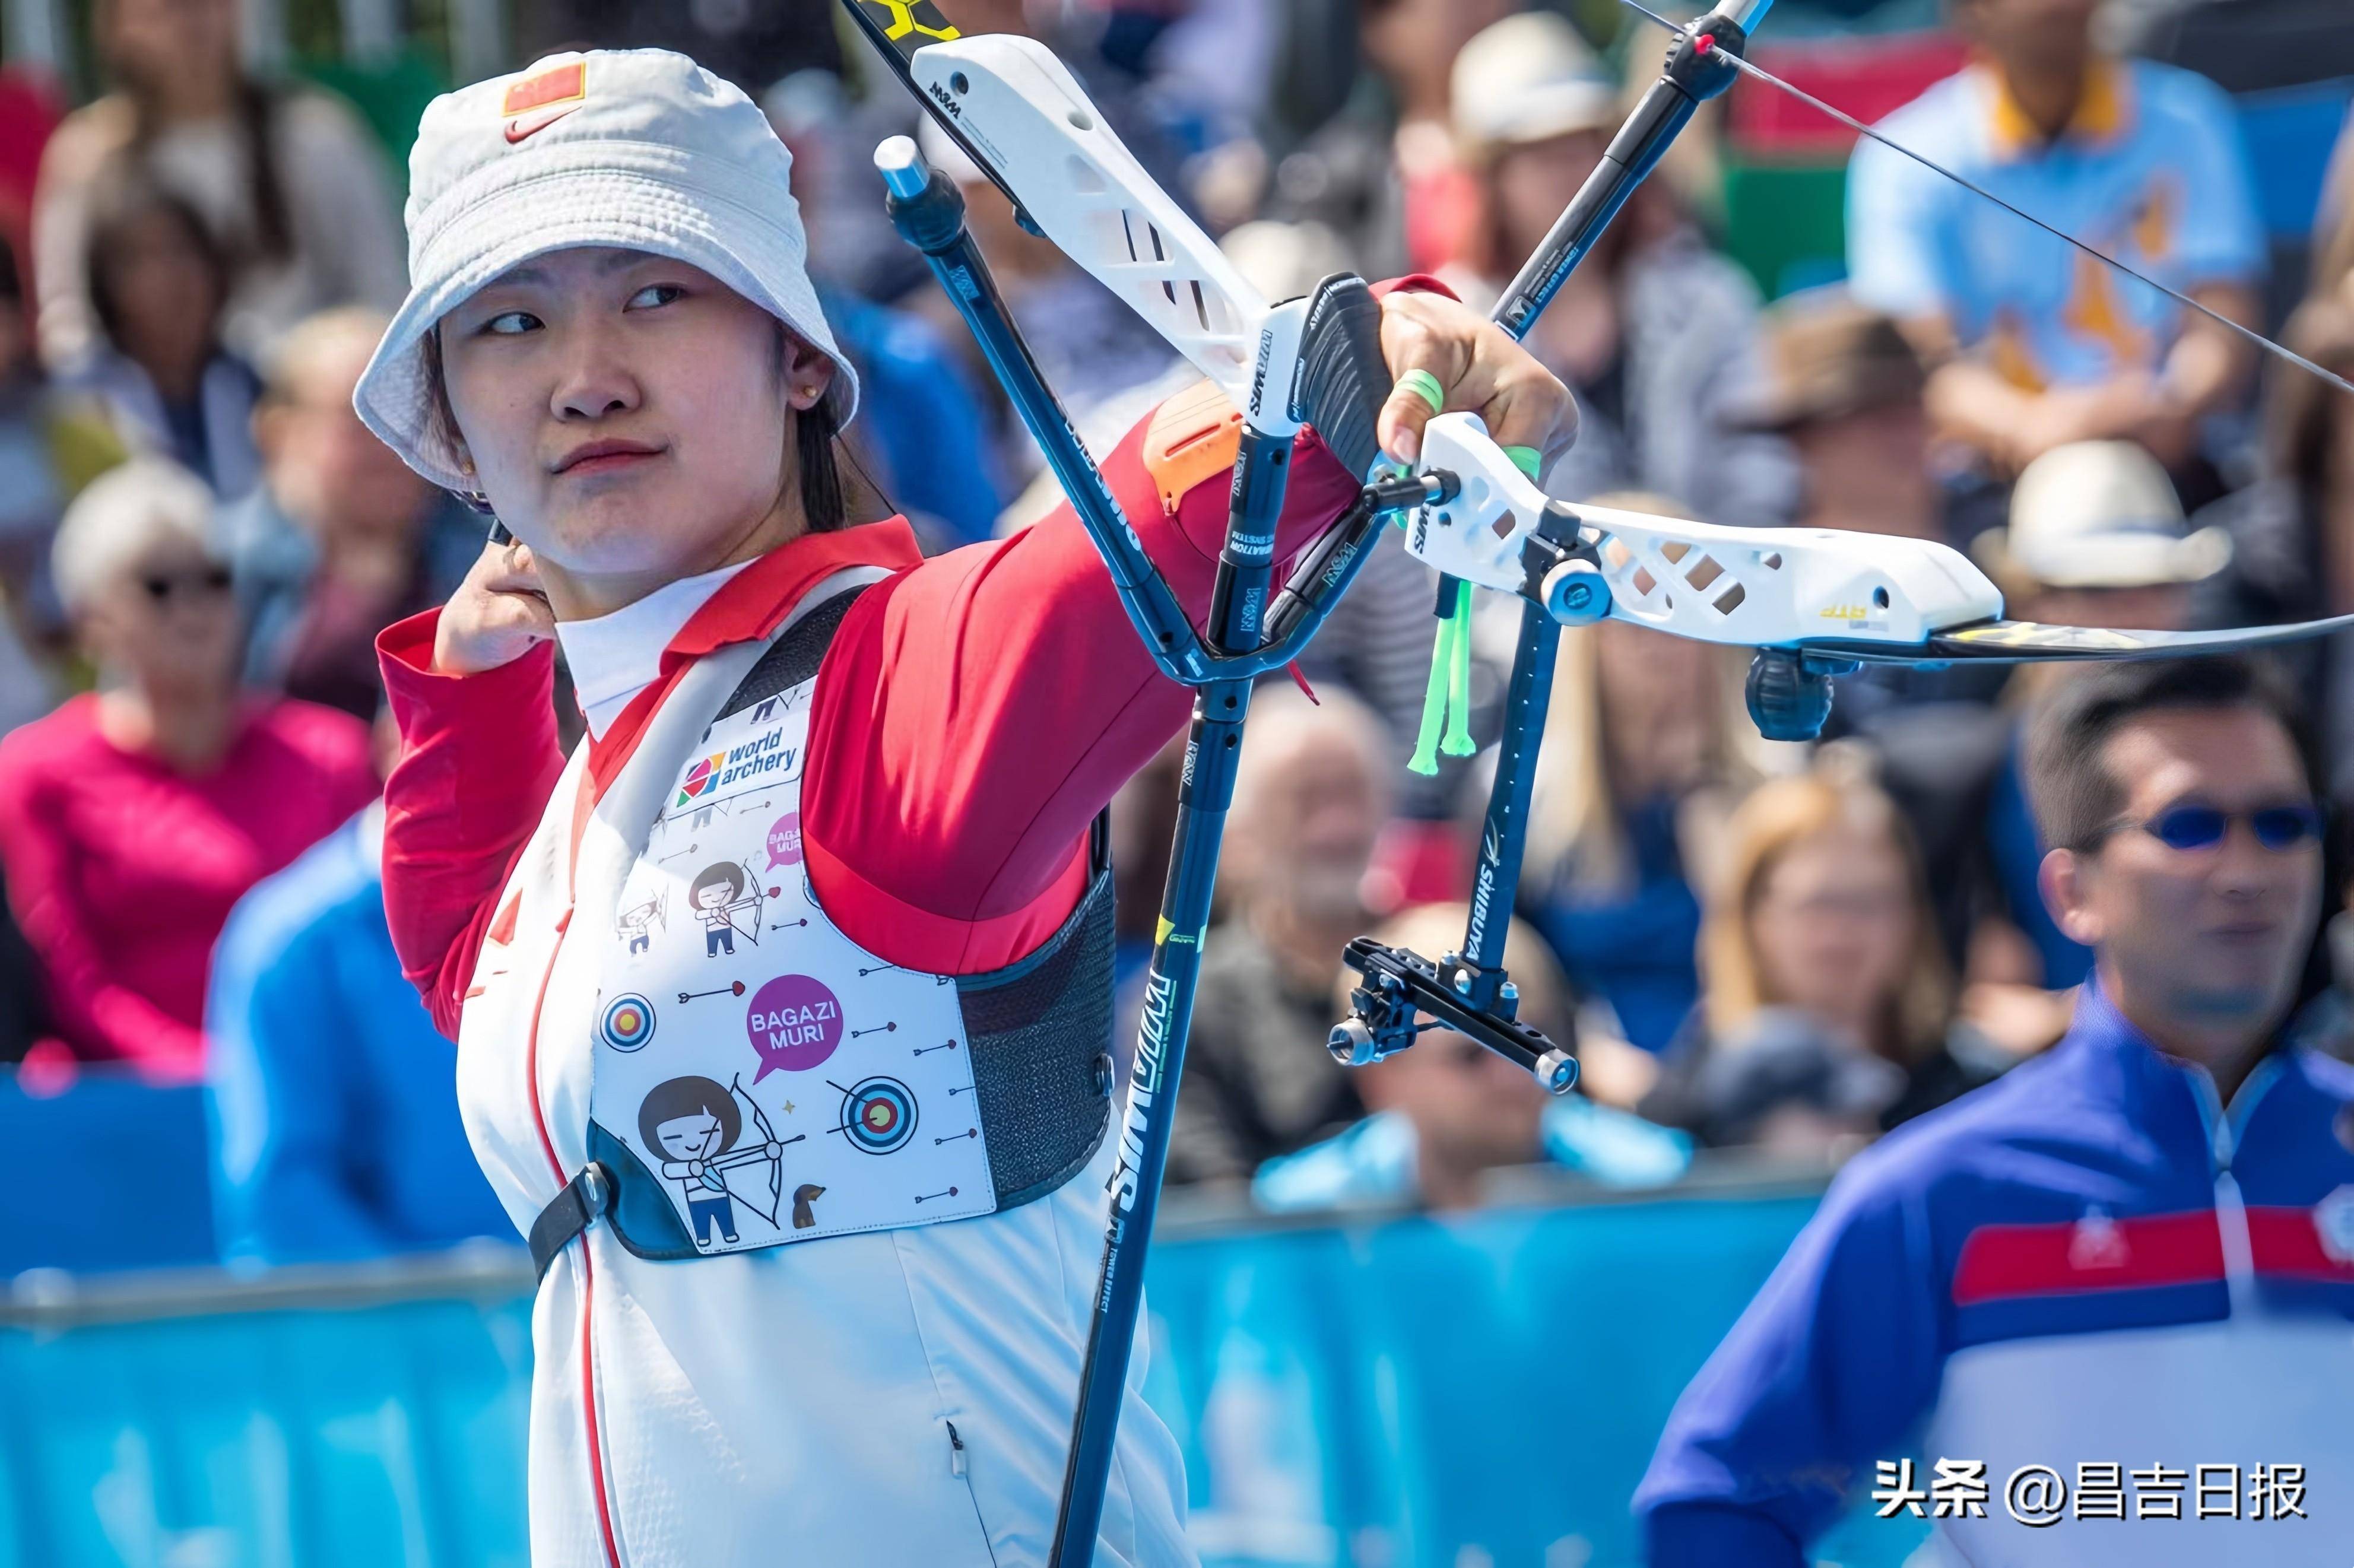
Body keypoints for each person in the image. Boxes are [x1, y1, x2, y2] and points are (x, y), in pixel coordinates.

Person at [357, 49, 1572, 1566]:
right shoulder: (605, 782)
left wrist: (1359, 354)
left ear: (801, 358)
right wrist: (475, 703)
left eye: (655, 294)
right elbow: (478, 979)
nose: (584, 373)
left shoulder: (888, 681)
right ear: (453, 425)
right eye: (511, 322)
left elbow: (1139, 542)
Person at [1636, 656, 2354, 1568]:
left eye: (2282, 823)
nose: (2245, 869)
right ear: (2071, 891)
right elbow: (1711, 1502)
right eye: (2189, 825)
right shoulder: (1938, 1188)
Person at [0, 459, 376, 1082]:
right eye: (158, 586)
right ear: (92, 621)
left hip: (315, 1082)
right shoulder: (36, 771)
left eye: (214, 579)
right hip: (124, 1104)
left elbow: (368, 950)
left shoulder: (329, 754)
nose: (194, 605)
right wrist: (212, 1074)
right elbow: (68, 976)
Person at [1846, 0, 2264, 500]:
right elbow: (1923, 364)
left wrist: (2172, 403)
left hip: (2174, 461)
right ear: (1970, 11)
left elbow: (2222, 320)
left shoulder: (2188, 118)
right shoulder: (1904, 155)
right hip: (1990, 479)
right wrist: (2033, 427)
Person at [1449, 11, 1797, 528]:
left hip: (1713, 573)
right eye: (1538, 154)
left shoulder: (1710, 297)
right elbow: (1465, 513)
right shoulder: (1460, 324)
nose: (1569, 172)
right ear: (1492, 178)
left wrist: (1699, 558)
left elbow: (1763, 470)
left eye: (1583, 145)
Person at [1640, 766, 2014, 1156]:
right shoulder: (1687, 1112)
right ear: (1754, 917)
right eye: (1818, 903)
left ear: (1913, 916)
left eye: (1870, 901)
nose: (1842, 930)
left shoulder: (1973, 1100)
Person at [206, 791, 513, 1264]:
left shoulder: (598, 900)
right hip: (420, 1311)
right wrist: (454, 1306)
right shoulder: (287, 942)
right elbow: (286, 1214)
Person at [30, 0, 405, 376]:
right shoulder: (89, 158)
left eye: (211, 3)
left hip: (309, 393)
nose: (194, 22)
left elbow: (385, 299)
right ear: (119, 27)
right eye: (170, 8)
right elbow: (69, 330)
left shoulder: (317, 134)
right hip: (148, 401)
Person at [1252, 902, 1690, 1212]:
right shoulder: (1299, 1221)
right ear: (1380, 1081)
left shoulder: (1653, 1191)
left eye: (1531, 1047)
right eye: (1471, 1056)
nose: (1515, 1076)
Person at [1503, 565, 1774, 1054]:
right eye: (1634, 619)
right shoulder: (1528, 797)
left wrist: (1705, 803)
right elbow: (1513, 971)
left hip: (1740, 1054)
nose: (1660, 645)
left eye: (1680, 616)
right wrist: (1586, 1054)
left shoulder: (1774, 792)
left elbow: (1772, 962)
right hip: (1575, 1062)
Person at [1165, 686, 1392, 1188]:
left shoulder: (1430, 969)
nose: (1337, 826)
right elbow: (1207, 1184)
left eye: (1352, 793)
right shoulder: (1191, 998)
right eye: (1306, 799)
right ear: (1241, 830)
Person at [226, 308, 480, 719]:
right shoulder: (217, 568)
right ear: (281, 433)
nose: (392, 442)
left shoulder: (495, 559)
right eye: (363, 417)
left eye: (409, 413)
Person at [69, 169, 262, 498]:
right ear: (103, 284)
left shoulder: (257, 386)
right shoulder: (76, 404)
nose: (168, 277)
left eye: (181, 251)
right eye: (138, 260)